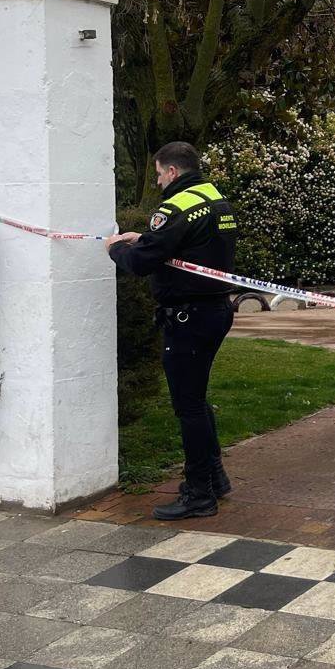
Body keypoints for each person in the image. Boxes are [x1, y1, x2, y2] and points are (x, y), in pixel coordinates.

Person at [105, 143, 238, 521]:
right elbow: (187, 249)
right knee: (197, 398)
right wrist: (144, 240)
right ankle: (215, 478)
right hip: (215, 310)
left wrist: (117, 249)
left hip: (187, 317)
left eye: (160, 173)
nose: (160, 180)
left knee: (189, 405)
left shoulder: (174, 208)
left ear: (173, 172)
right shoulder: (217, 200)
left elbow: (142, 262)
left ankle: (198, 494)